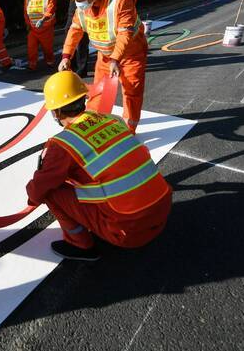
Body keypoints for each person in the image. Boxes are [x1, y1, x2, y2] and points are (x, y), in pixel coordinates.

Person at [26, 71, 172, 261]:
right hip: (162, 213)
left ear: (56, 112)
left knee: (51, 192)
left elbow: (40, 187)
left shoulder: (62, 144)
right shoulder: (112, 120)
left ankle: (80, 245)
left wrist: (32, 198)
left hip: (129, 233)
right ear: (83, 98)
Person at [58, 0, 148, 133]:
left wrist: (115, 59)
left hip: (131, 54)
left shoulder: (120, 0)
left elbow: (125, 34)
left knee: (131, 92)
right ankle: (93, 125)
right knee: (99, 92)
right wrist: (66, 56)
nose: (79, 2)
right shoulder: (82, 8)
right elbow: (75, 30)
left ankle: (129, 129)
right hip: (105, 56)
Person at [58, 0, 92, 78]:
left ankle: (81, 70)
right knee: (70, 38)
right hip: (73, 12)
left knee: (82, 43)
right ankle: (69, 65)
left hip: (87, 12)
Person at [24, 0, 57, 71]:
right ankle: (32, 65)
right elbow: (25, 10)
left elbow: (51, 9)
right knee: (31, 48)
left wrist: (43, 20)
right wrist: (28, 24)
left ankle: (50, 61)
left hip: (46, 28)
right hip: (33, 29)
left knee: (47, 49)